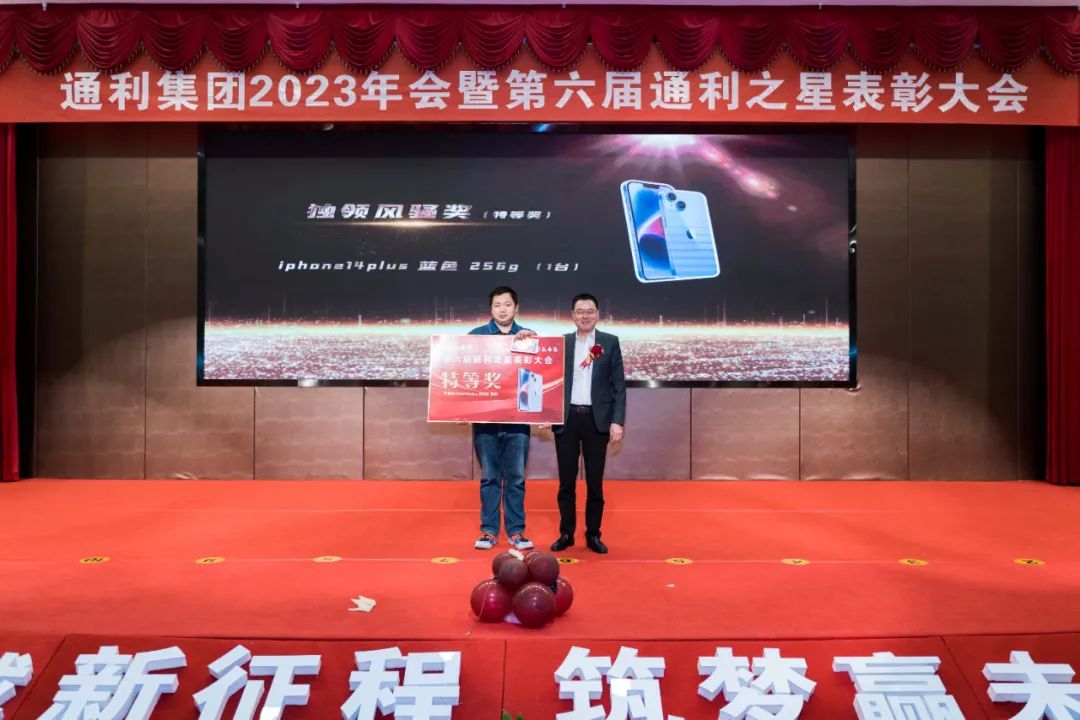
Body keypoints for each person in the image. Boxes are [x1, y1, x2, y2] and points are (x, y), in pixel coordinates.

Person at [550, 293, 626, 555]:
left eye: (590, 311)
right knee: (566, 483)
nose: (585, 316)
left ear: (597, 314)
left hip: (597, 421)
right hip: (568, 419)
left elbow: (619, 387)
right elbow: (548, 380)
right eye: (580, 311)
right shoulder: (562, 343)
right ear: (572, 315)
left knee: (595, 483)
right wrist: (547, 413)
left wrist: (617, 421)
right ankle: (566, 533)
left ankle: (593, 534)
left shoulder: (609, 342)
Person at [468, 286, 534, 551]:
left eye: (507, 304)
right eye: (497, 305)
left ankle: (516, 532)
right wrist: (460, 409)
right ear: (490, 308)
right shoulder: (475, 337)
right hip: (486, 424)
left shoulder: (529, 337)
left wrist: (543, 412)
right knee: (490, 478)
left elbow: (539, 376)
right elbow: (465, 375)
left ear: (516, 307)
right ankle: (488, 531)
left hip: (518, 422)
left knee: (516, 478)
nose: (503, 310)